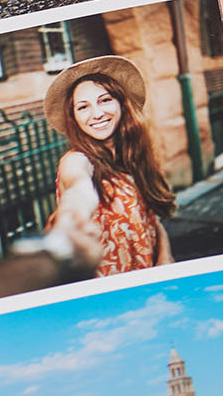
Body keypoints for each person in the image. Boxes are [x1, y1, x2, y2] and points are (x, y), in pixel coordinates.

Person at [45, 55, 175, 276]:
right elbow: (78, 186)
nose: (97, 114)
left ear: (121, 103)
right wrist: (71, 212)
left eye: (105, 100)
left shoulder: (133, 155)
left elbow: (150, 215)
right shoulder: (76, 160)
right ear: (73, 117)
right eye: (83, 107)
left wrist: (165, 256)